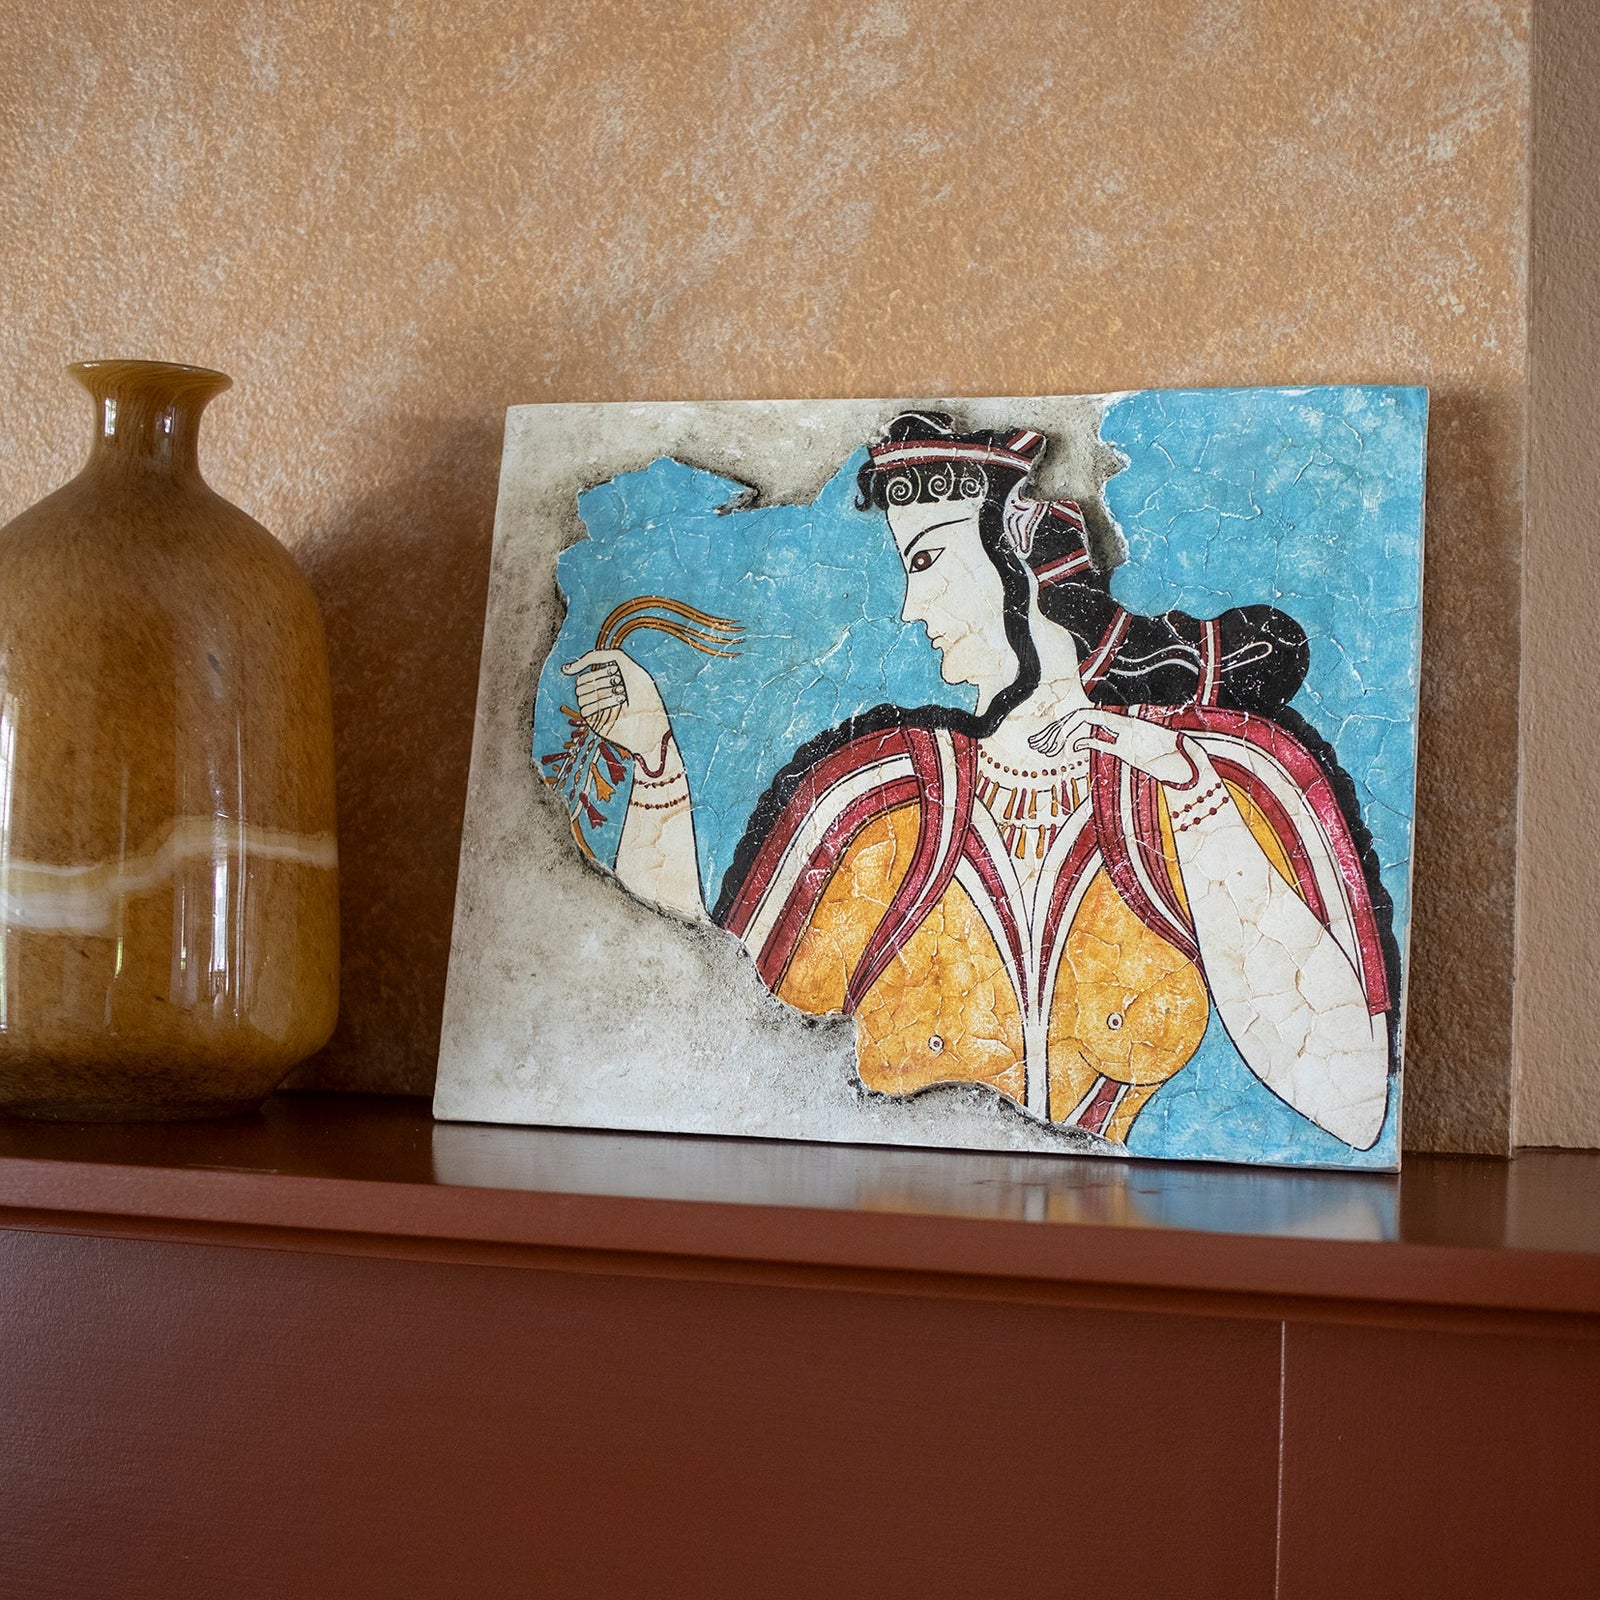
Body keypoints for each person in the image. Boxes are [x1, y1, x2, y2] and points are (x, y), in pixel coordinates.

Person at [563, 413, 1395, 1149]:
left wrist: (1187, 787)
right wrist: (658, 769)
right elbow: (702, 1028)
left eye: (929, 561)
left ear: (1024, 562)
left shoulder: (1194, 781)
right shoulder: (874, 795)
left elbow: (1352, 1110)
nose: (910, 608)